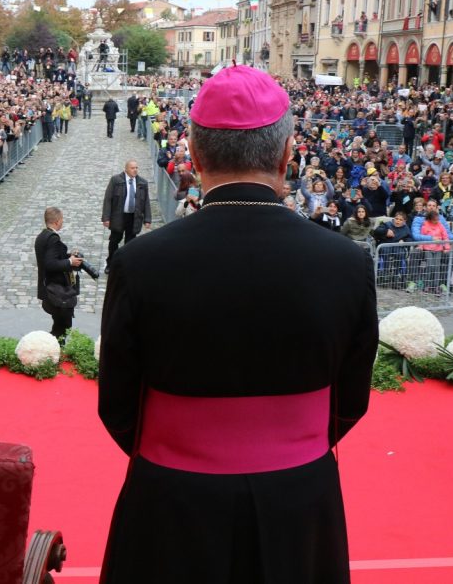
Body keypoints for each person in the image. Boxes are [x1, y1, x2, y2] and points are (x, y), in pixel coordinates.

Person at [98, 65, 377, 583]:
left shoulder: (140, 262)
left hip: (172, 498)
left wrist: (186, 447)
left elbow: (117, 401)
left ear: (195, 157)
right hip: (299, 499)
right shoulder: (346, 262)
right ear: (288, 153)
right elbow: (350, 399)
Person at [34, 207, 83, 341]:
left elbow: (51, 257)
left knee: (59, 325)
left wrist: (68, 256)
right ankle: (50, 351)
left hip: (48, 287)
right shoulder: (53, 238)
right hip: (56, 291)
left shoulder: (42, 236)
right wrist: (70, 261)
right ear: (56, 221)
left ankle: (51, 349)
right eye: (62, 220)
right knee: (62, 327)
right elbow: (50, 264)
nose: (62, 222)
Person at [101, 159, 151, 272]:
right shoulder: (116, 180)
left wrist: (147, 218)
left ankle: (126, 265)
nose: (135, 170)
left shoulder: (142, 182)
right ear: (126, 169)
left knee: (130, 243)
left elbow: (146, 201)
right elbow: (108, 199)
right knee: (114, 240)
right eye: (132, 168)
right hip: (119, 216)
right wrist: (106, 217)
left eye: (136, 168)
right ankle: (111, 263)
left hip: (134, 216)